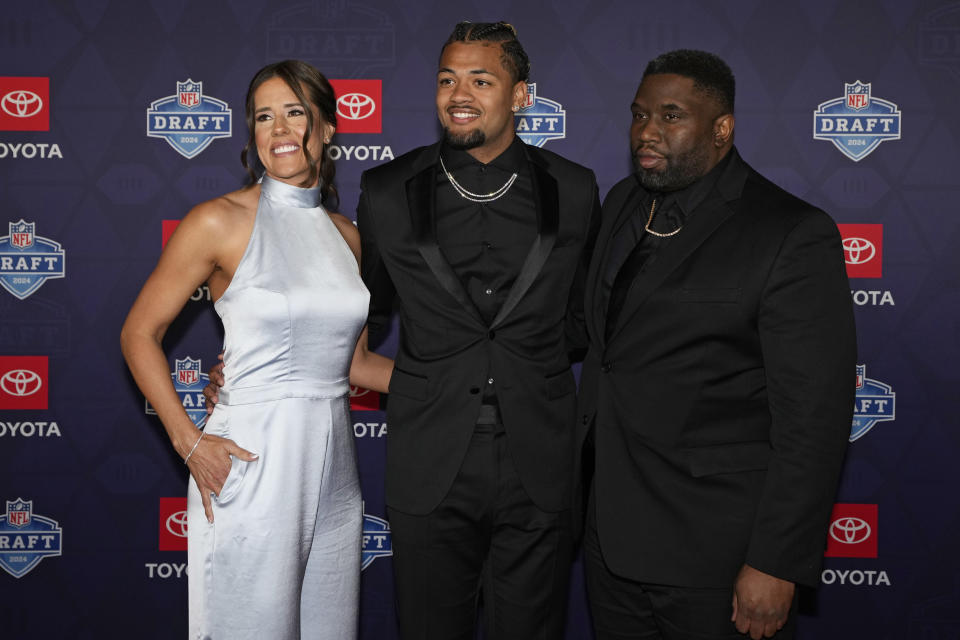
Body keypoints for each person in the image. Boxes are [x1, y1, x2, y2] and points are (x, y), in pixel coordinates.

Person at [576, 49, 856, 640]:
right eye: (639, 114)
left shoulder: (790, 233)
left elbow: (813, 419)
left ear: (721, 130)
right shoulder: (624, 201)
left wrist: (775, 561)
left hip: (716, 556)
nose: (647, 132)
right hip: (610, 541)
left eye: (671, 116)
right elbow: (604, 345)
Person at [121, 59, 391, 640]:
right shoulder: (218, 221)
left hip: (337, 471)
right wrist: (188, 442)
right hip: (251, 460)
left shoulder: (347, 235)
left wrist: (470, 379)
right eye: (264, 117)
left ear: (327, 128)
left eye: (296, 112)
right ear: (251, 135)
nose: (280, 129)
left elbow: (356, 365)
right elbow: (138, 333)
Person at [359, 21, 599, 639]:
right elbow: (355, 317)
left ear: (521, 95)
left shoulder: (573, 188)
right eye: (446, 79)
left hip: (539, 463)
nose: (458, 93)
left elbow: (585, 320)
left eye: (481, 79)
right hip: (431, 459)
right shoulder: (387, 190)